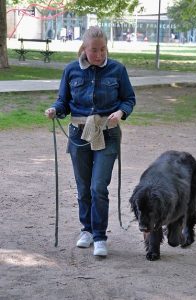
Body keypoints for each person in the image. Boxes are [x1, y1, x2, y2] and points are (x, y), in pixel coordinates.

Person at [45, 26, 136, 257]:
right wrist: (55, 109)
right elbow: (63, 101)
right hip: (79, 135)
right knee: (83, 187)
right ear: (84, 48)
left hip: (108, 134)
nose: (99, 54)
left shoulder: (117, 69)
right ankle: (86, 230)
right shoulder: (71, 70)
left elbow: (128, 99)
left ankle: (99, 237)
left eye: (103, 49)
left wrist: (121, 113)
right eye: (94, 50)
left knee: (98, 187)